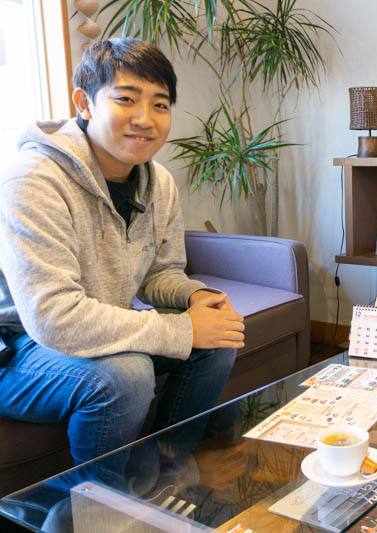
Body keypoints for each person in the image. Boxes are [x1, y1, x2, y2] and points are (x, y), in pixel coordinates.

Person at [0, 38, 245, 475]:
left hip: (88, 327)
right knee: (127, 375)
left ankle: (170, 474)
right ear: (84, 103)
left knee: (218, 339)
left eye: (160, 105)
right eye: (126, 99)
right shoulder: (34, 180)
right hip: (16, 347)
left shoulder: (158, 182)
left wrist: (194, 297)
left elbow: (159, 272)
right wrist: (182, 329)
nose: (144, 119)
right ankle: (97, 500)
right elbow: (53, 317)